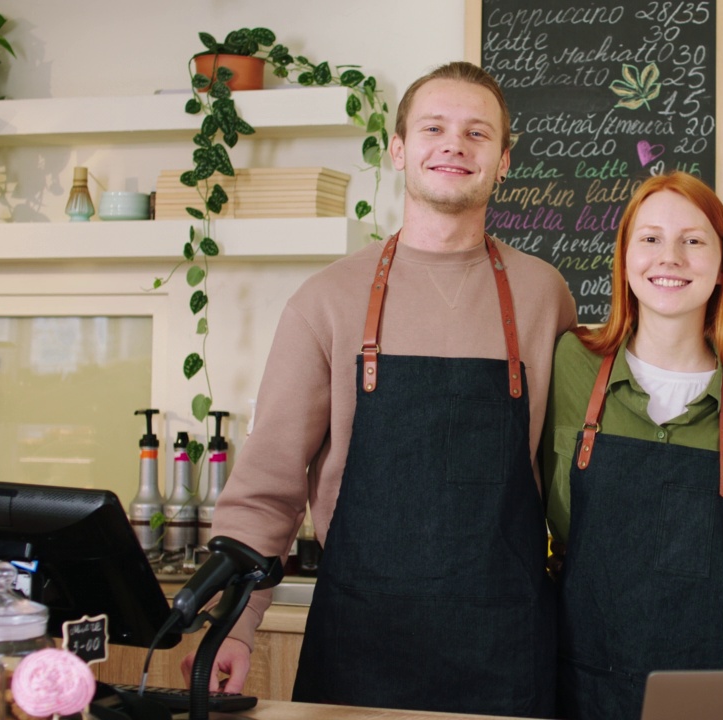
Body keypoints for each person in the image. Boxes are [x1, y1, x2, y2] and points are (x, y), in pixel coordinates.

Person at [181, 61, 576, 718]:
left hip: (506, 639)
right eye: (434, 127)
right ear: (398, 149)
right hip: (361, 639)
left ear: (504, 160)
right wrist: (237, 624)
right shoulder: (327, 300)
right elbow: (267, 485)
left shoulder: (544, 294)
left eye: (477, 133)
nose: (454, 144)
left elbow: (566, 473)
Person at [543, 172, 723, 720]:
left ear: (722, 266)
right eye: (649, 239)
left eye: (693, 240)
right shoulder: (569, 365)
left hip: (716, 686)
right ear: (625, 258)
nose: (669, 257)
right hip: (581, 680)